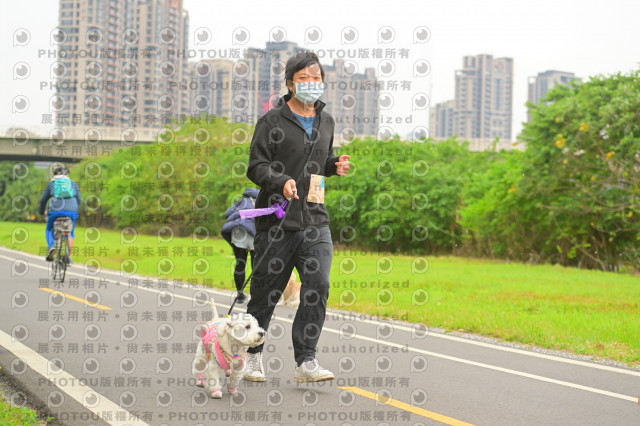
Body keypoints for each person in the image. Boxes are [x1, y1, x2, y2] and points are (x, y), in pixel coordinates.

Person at [244, 51, 351, 383]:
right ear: (290, 83)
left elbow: (321, 161)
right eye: (304, 78)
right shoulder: (271, 122)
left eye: (316, 77)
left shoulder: (326, 121)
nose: (311, 83)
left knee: (318, 286)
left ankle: (306, 360)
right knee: (265, 293)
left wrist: (334, 166)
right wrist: (281, 181)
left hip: (315, 220)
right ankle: (252, 355)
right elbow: (256, 167)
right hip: (277, 220)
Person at [220, 187, 259, 303]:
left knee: (240, 263)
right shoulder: (260, 202)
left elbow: (227, 214)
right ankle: (256, 296)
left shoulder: (241, 202)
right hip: (253, 233)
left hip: (238, 232)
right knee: (255, 266)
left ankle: (240, 295)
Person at [39, 165, 81, 263]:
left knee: (49, 229)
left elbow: (43, 200)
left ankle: (51, 247)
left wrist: (41, 212)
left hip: (55, 211)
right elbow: (79, 199)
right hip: (72, 211)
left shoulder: (51, 183)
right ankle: (68, 257)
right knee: (70, 233)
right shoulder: (73, 183)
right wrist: (76, 212)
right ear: (67, 174)